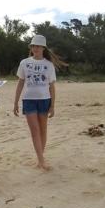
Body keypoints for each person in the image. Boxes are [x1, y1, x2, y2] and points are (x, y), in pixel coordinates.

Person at [12, 35, 63, 170]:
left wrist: (52, 105)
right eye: (33, 46)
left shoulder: (48, 64)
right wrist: (16, 102)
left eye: (38, 46)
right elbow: (21, 82)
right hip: (29, 100)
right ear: (31, 47)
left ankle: (40, 157)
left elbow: (52, 86)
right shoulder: (24, 63)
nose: (35, 48)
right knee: (35, 131)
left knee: (43, 130)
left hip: (44, 100)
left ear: (43, 48)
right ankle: (41, 160)